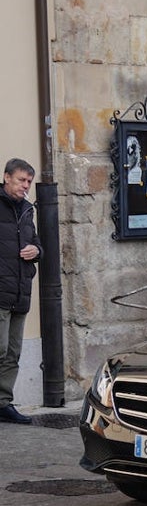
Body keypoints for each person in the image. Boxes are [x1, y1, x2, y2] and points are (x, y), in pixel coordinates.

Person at [0, 158, 41, 424]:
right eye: (21, 180)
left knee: (13, 353)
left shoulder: (27, 209)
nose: (25, 186)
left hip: (20, 292)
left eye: (28, 181)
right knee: (0, 349)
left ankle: (3, 404)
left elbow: (36, 243)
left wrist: (36, 250)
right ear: (6, 178)